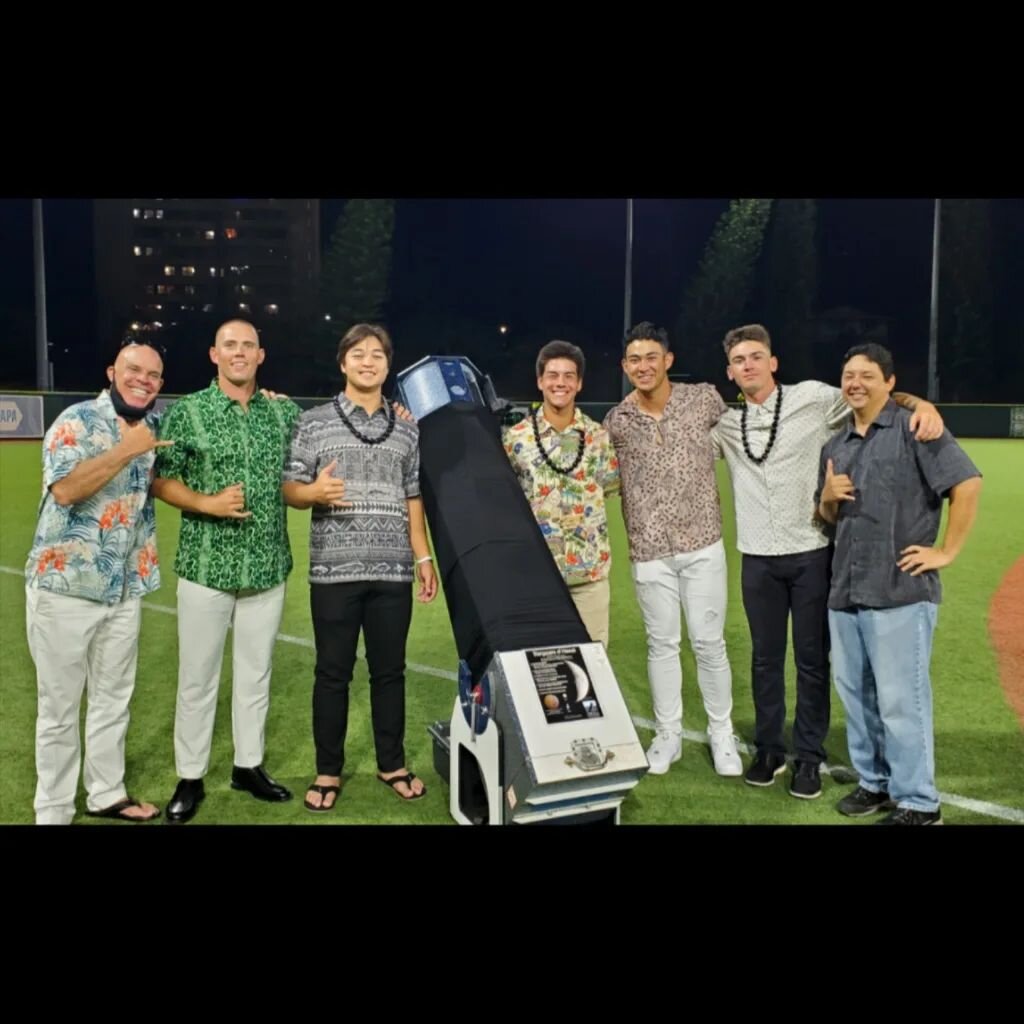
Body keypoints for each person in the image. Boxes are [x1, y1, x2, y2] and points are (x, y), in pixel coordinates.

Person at [712, 324, 943, 799]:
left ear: (773, 362)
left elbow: (875, 398)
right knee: (764, 660)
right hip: (756, 557)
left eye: (756, 356)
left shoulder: (815, 398)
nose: (748, 365)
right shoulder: (725, 427)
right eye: (739, 360)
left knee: (813, 661)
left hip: (813, 550)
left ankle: (809, 757)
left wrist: (923, 405)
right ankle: (770, 748)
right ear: (730, 372)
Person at [817, 343, 981, 825]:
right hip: (846, 590)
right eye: (848, 374)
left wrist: (946, 552)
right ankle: (875, 783)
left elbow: (966, 484)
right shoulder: (837, 444)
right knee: (857, 696)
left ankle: (919, 803)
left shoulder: (916, 429)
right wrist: (827, 498)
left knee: (900, 701)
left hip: (900, 592)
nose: (856, 383)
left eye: (868, 375)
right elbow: (828, 517)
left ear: (890, 383)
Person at [283, 323, 437, 812]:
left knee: (390, 672)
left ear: (388, 366)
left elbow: (413, 496)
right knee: (333, 673)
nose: (367, 362)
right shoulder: (314, 422)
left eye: (377, 355)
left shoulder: (407, 427)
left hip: (393, 571)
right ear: (342, 362)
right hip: (334, 572)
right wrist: (313, 493)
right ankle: (328, 770)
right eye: (358, 354)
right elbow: (290, 488)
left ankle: (391, 762)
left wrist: (423, 555)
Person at [153, 319, 302, 823]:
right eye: (230, 345)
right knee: (197, 679)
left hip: (266, 565)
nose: (239, 353)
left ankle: (247, 765)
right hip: (204, 567)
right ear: (214, 354)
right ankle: (190, 776)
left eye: (248, 346)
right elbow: (161, 481)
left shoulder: (282, 414)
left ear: (261, 356)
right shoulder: (187, 412)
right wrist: (205, 503)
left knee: (256, 675)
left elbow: (327, 440)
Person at [25, 340, 169, 824]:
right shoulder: (76, 420)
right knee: (59, 707)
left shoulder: (153, 427)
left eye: (152, 375)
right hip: (64, 586)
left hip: (123, 588)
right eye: (133, 369)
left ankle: (106, 793)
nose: (142, 379)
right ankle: (53, 810)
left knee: (113, 699)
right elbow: (65, 489)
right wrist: (126, 451)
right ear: (113, 371)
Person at [604, 322, 742, 777]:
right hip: (649, 549)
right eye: (634, 360)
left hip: (702, 543)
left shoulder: (702, 399)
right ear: (625, 367)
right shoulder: (617, 420)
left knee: (708, 644)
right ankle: (669, 734)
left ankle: (722, 733)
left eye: (651, 357)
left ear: (668, 359)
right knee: (661, 645)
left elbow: (750, 427)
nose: (643, 366)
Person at [503, 340, 619, 647]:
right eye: (553, 375)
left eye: (569, 376)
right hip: (536, 575)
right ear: (540, 381)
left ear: (579, 383)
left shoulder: (598, 437)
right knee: (539, 667)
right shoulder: (515, 440)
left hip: (588, 575)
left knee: (592, 668)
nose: (560, 383)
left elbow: (608, 486)